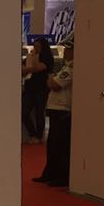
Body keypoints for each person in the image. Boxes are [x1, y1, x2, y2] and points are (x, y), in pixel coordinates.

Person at [35, 39, 74, 187]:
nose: (65, 52)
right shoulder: (66, 66)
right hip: (56, 108)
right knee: (52, 144)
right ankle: (50, 173)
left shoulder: (71, 68)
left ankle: (61, 176)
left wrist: (51, 78)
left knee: (60, 145)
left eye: (68, 49)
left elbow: (54, 84)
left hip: (62, 109)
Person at [22, 37, 55, 143]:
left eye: (38, 47)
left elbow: (37, 68)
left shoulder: (47, 58)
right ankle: (32, 133)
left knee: (39, 113)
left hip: (41, 88)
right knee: (24, 112)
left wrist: (34, 59)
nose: (36, 49)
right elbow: (23, 69)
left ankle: (39, 136)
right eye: (35, 46)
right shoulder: (30, 57)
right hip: (29, 88)